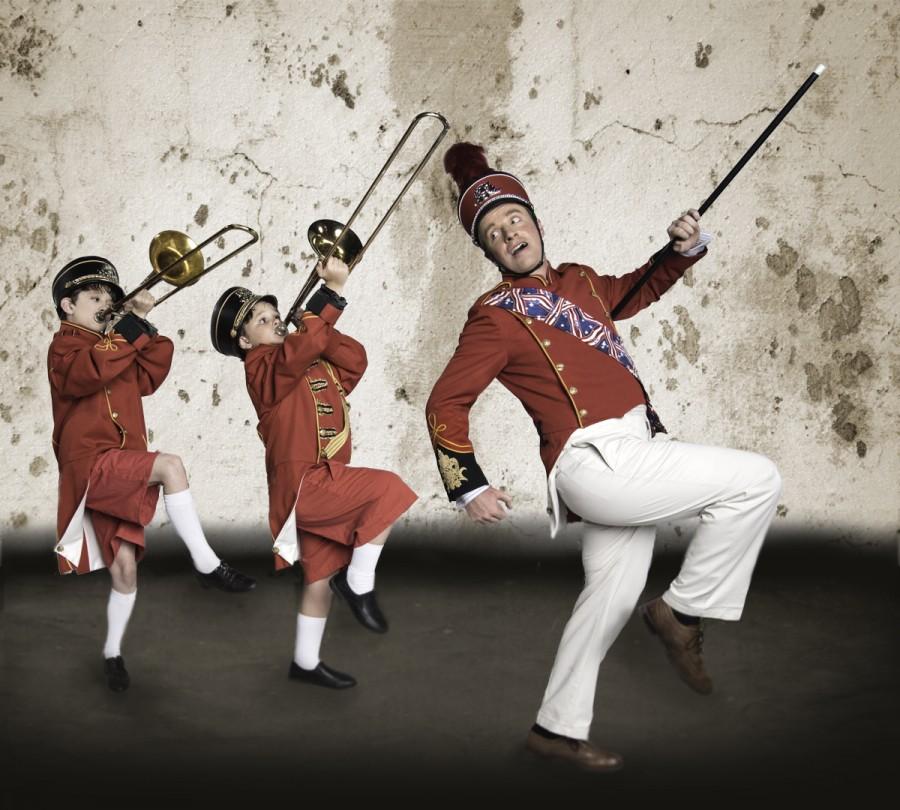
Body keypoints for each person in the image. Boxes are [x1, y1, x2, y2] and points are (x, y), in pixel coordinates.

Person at [426, 143, 782, 771]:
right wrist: (468, 485)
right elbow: (445, 402)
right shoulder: (493, 317)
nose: (510, 234)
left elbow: (642, 288)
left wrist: (680, 248)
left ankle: (554, 731)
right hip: (593, 460)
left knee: (610, 598)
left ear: (536, 222)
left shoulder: (583, 281)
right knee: (757, 479)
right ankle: (680, 612)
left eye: (515, 220)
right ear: (487, 252)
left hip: (637, 450)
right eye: (493, 233)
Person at [48, 257, 256, 692]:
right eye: (94, 298)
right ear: (68, 306)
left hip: (120, 465)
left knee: (125, 569)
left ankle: (112, 653)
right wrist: (131, 322)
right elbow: (87, 375)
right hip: (90, 464)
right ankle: (206, 563)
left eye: (110, 298)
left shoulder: (116, 344)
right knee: (170, 466)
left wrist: (137, 324)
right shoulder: (65, 347)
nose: (105, 304)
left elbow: (153, 369)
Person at [210, 257, 416, 689]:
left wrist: (318, 322)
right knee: (388, 491)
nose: (273, 321)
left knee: (319, 579)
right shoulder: (261, 367)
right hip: (304, 484)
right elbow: (294, 354)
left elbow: (354, 360)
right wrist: (324, 304)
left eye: (273, 314)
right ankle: (359, 583)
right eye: (261, 321)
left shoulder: (307, 359)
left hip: (325, 478)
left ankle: (304, 662)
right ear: (245, 342)